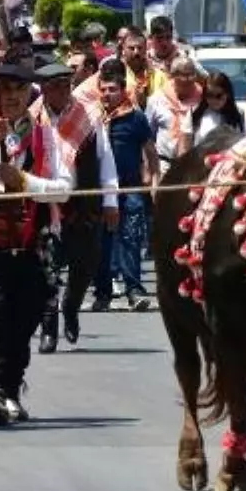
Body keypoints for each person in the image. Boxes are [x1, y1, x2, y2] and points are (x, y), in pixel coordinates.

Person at [0, 60, 74, 425]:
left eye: (19, 90)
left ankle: (10, 387)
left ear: (28, 94)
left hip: (32, 245)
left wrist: (25, 182)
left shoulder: (47, 137)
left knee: (24, 320)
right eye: (5, 90)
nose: (12, 97)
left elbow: (64, 191)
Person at [30, 57, 119, 350]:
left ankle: (71, 306)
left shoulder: (89, 115)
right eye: (55, 86)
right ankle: (48, 328)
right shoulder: (31, 118)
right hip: (43, 203)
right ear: (43, 89)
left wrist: (110, 201)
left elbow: (105, 158)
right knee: (47, 269)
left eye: (66, 85)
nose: (62, 91)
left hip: (82, 203)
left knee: (86, 264)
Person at [95, 59, 159, 311]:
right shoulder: (92, 117)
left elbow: (150, 152)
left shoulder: (136, 117)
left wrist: (154, 181)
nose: (107, 94)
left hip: (130, 187)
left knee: (131, 239)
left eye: (113, 89)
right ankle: (103, 293)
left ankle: (134, 290)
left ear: (123, 91)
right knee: (101, 242)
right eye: (104, 89)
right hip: (99, 191)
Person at [178, 70, 244, 155]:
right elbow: (184, 149)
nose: (214, 100)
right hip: (200, 165)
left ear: (227, 94)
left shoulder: (239, 114)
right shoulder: (194, 114)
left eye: (218, 96)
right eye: (209, 95)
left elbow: (242, 145)